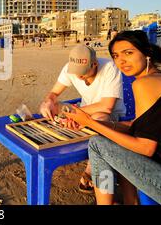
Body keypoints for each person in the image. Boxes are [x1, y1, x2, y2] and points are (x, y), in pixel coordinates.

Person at [65, 30, 161, 205]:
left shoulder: (144, 84)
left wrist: (90, 122)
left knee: (97, 145)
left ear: (147, 53)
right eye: (116, 55)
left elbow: (145, 147)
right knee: (105, 139)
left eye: (128, 53)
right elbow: (136, 126)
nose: (121, 61)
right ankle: (129, 200)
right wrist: (95, 124)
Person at [39, 44, 126, 193]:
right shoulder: (69, 68)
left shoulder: (110, 68)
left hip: (109, 115)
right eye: (76, 72)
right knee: (49, 107)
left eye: (84, 72)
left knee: (99, 117)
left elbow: (106, 106)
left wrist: (75, 114)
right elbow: (53, 93)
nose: (79, 76)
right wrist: (48, 102)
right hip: (83, 109)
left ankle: (91, 169)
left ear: (95, 64)